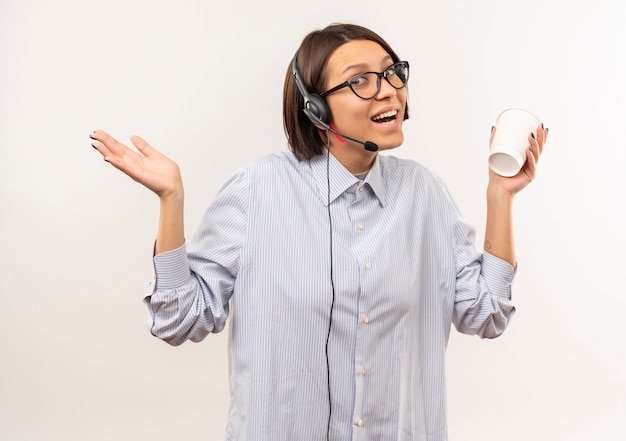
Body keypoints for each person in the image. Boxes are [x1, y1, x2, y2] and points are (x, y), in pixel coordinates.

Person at [90, 23, 547, 441]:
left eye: (393, 73)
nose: (388, 92)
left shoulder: (425, 194)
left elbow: (487, 314)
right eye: (360, 80)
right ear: (315, 106)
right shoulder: (258, 189)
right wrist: (172, 200)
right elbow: (177, 321)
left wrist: (500, 197)